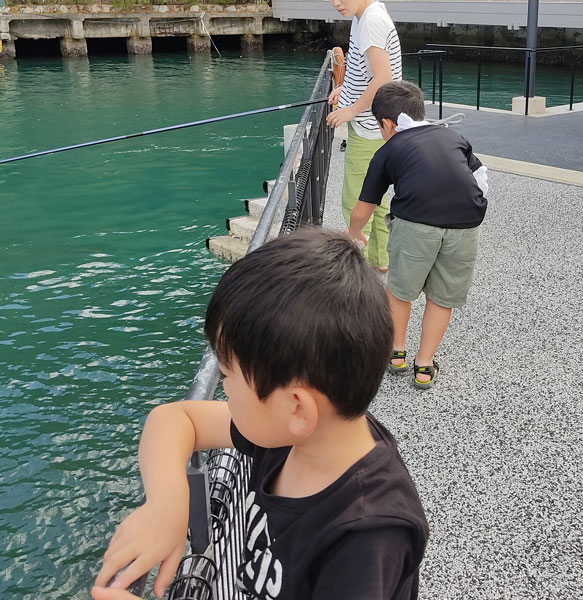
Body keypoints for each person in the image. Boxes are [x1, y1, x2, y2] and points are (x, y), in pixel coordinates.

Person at [91, 229, 429, 600]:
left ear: (297, 407)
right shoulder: (295, 437)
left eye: (228, 375)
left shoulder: (367, 536)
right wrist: (168, 504)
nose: (223, 388)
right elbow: (175, 419)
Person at [346, 81, 489, 390]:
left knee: (399, 291)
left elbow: (364, 206)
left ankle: (396, 355)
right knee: (442, 297)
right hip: (466, 223)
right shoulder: (453, 136)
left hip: (416, 223)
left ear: (386, 123)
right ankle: (424, 366)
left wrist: (354, 232)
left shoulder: (389, 149)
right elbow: (479, 177)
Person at [326, 0, 402, 272]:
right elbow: (363, 69)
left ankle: (359, 272)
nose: (336, 3)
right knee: (376, 196)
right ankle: (380, 261)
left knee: (357, 200)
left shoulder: (370, 20)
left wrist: (350, 110)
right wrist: (344, 89)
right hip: (377, 123)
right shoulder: (364, 15)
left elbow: (383, 77)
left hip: (368, 126)